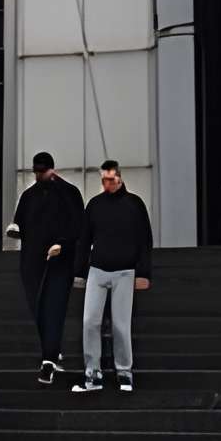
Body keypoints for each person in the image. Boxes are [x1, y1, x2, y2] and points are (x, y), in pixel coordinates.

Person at [71, 157, 152, 394]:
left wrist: (144, 272)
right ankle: (92, 372)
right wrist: (79, 273)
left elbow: (144, 240)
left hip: (125, 271)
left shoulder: (135, 204)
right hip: (97, 269)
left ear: (119, 177)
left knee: (120, 325)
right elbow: (84, 240)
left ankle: (124, 371)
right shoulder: (95, 205)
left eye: (111, 179)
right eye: (104, 180)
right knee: (89, 322)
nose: (107, 184)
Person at [8, 150, 84, 383]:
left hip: (58, 260)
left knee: (54, 306)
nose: (38, 175)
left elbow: (78, 225)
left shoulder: (67, 193)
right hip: (33, 259)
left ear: (51, 169)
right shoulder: (30, 195)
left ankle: (49, 358)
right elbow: (19, 223)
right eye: (37, 172)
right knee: (39, 305)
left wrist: (62, 244)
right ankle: (50, 350)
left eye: (42, 171)